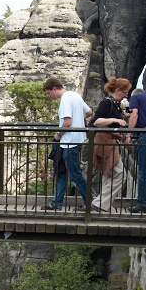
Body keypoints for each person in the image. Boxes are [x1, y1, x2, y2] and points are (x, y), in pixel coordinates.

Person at [43, 77, 93, 210]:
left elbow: (67, 123)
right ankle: (56, 203)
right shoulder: (75, 95)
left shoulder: (65, 99)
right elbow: (89, 112)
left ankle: (90, 202)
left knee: (74, 175)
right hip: (76, 141)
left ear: (54, 89)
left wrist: (58, 135)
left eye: (48, 93)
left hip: (68, 143)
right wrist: (79, 120)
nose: (49, 96)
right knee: (62, 174)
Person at [90, 78, 131, 213]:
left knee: (108, 174)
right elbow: (95, 121)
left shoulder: (115, 103)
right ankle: (99, 203)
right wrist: (114, 119)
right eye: (125, 92)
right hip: (106, 142)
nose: (126, 95)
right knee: (120, 174)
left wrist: (123, 118)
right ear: (118, 91)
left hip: (110, 142)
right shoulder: (107, 103)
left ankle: (104, 205)